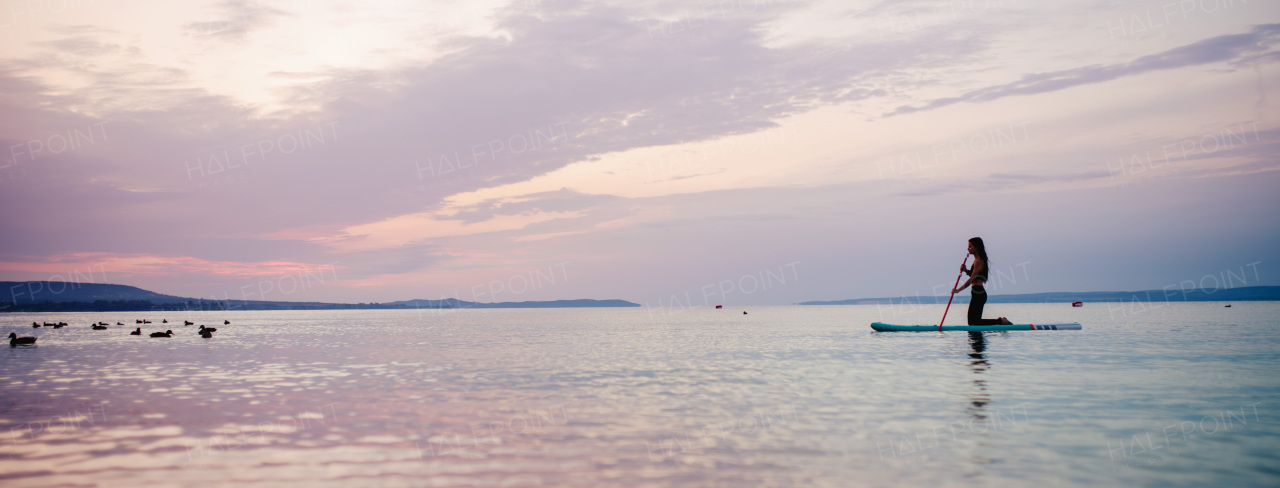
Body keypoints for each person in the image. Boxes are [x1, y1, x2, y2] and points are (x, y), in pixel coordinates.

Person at [952, 237, 1012, 325]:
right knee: (972, 322)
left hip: (979, 293)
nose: (968, 249)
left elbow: (972, 279)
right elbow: (975, 276)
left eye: (970, 246)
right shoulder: (976, 261)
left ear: (976, 248)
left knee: (974, 322)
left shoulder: (978, 261)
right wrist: (966, 270)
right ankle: (1000, 321)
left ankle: (1001, 321)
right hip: (977, 293)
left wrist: (958, 290)